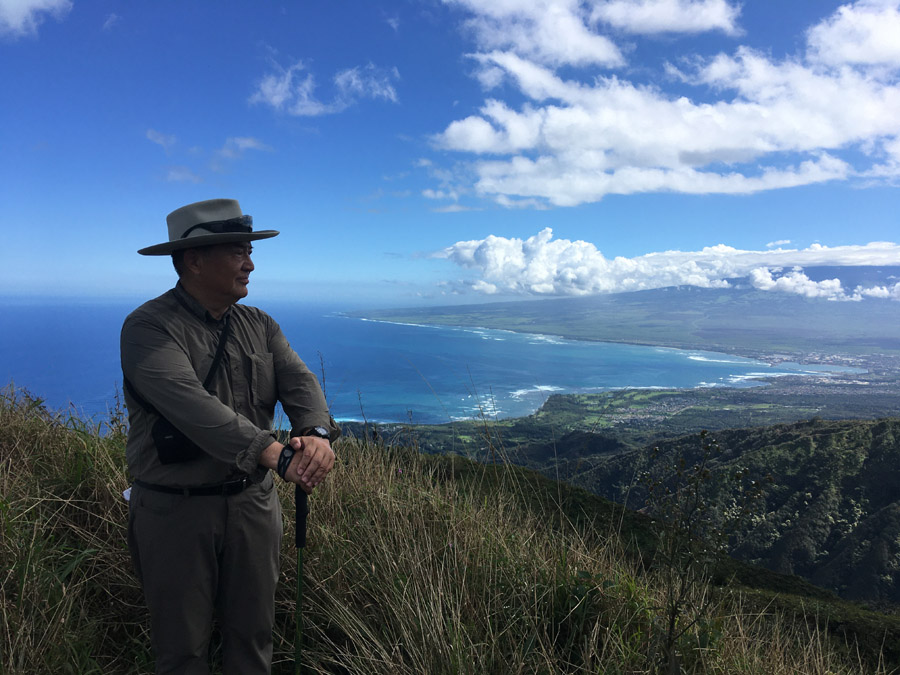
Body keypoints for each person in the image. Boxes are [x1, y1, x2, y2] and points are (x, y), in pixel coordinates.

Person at [121, 198, 340, 674]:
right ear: (193, 260)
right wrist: (276, 454)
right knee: (182, 649)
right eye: (237, 251)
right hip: (175, 510)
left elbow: (299, 382)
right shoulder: (148, 328)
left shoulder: (259, 324)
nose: (250, 262)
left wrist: (316, 433)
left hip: (252, 505)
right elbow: (191, 407)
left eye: (249, 249)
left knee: (255, 639)